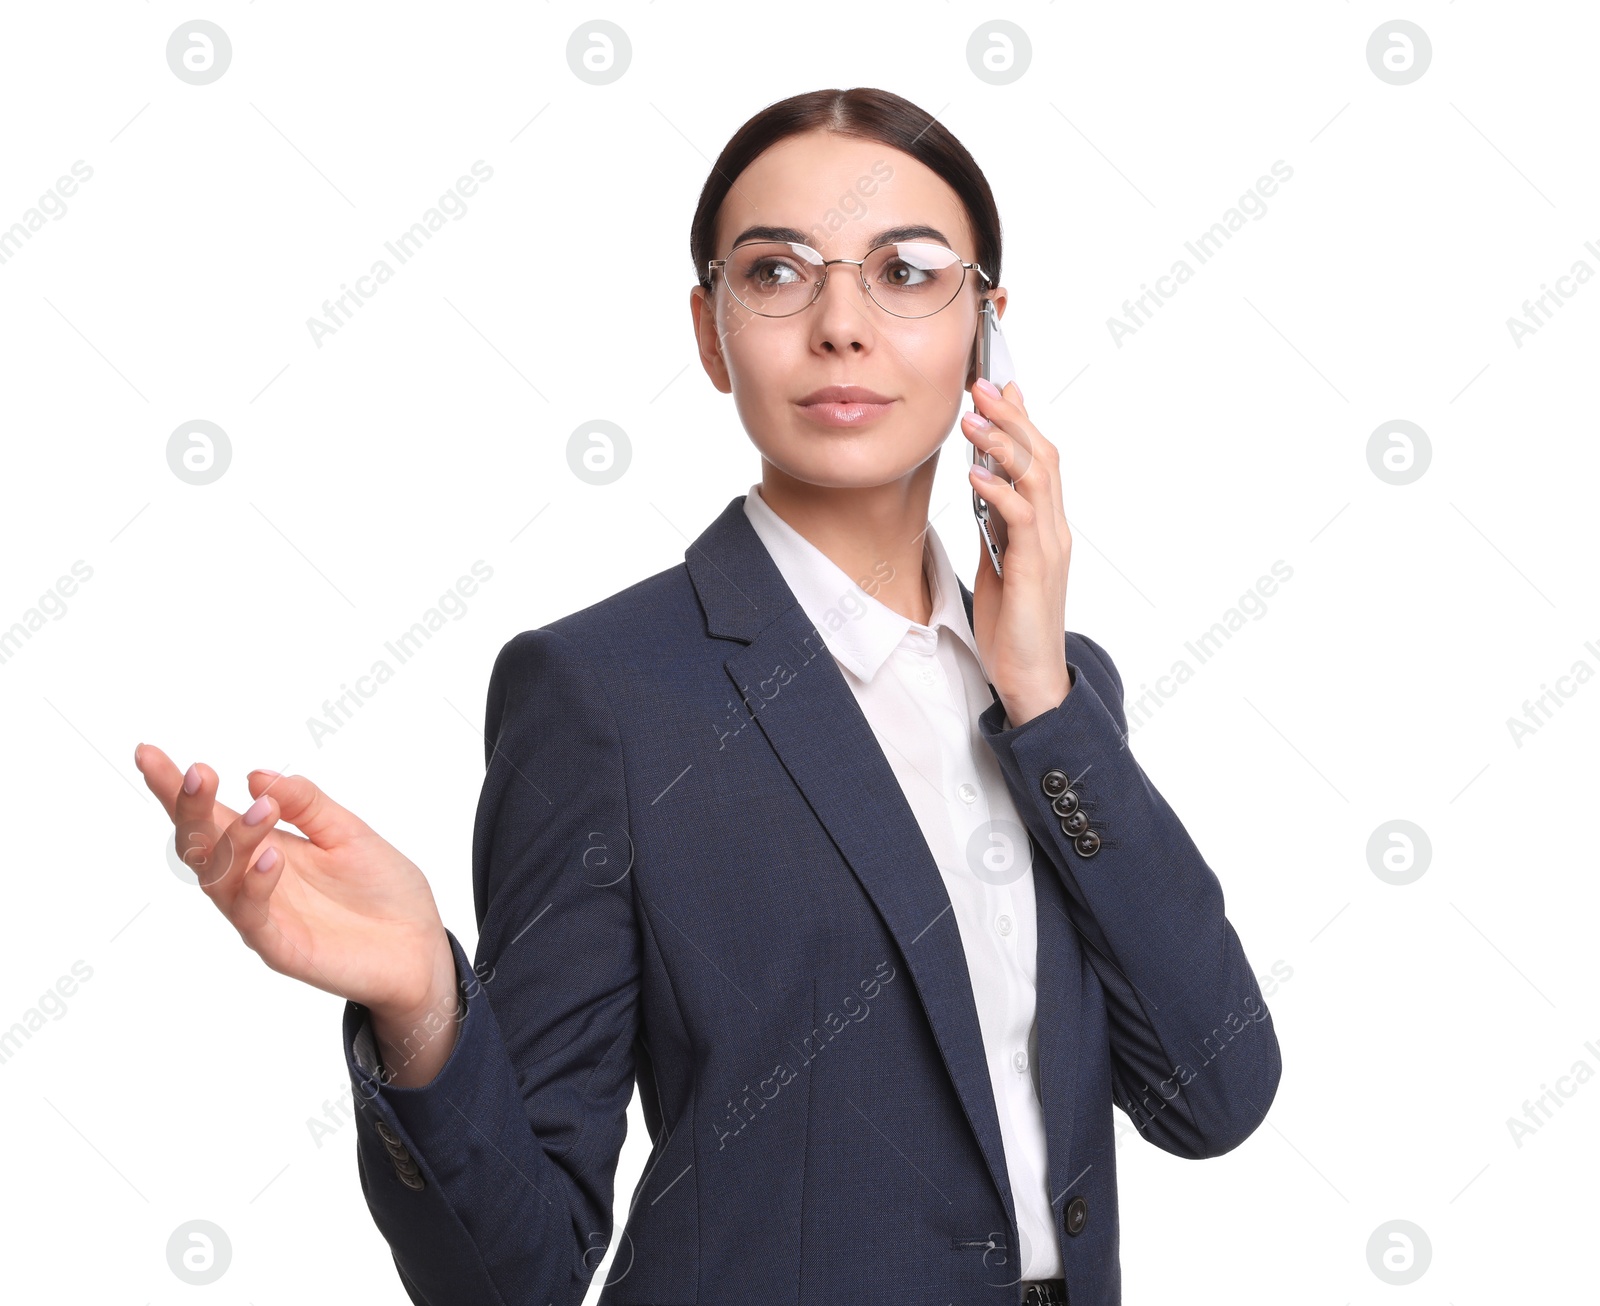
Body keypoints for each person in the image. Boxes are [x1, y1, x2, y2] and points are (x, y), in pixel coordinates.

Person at [136, 87, 1282, 1306]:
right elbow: (515, 1277)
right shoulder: (603, 696)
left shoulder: (1059, 692)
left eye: (907, 271)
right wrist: (423, 1002)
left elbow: (1211, 1096)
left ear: (987, 329)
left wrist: (1043, 696)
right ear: (709, 327)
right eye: (778, 272)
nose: (842, 325)